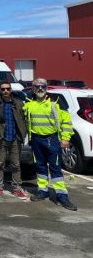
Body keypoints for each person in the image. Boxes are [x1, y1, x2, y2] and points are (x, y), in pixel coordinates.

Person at [24, 78, 77, 210]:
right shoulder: (29, 104)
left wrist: (65, 139)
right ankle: (42, 191)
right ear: (33, 89)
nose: (40, 89)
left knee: (55, 168)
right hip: (36, 140)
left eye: (43, 87)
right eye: (37, 87)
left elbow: (66, 122)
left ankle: (61, 196)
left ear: (46, 88)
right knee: (40, 166)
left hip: (52, 139)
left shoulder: (56, 103)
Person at [0, 81, 27, 200]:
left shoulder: (19, 103)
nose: (5, 91)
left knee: (16, 164)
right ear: (0, 90)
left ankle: (17, 189)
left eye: (7, 89)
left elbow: (24, 119)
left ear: (10, 90)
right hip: (1, 138)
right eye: (3, 89)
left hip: (15, 138)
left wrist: (23, 133)